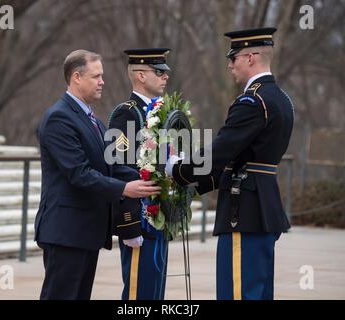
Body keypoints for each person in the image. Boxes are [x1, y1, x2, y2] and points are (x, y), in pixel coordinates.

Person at [166, 28, 294, 300]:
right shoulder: (283, 101)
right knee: (258, 293)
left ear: (250, 57)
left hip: (244, 211)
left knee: (236, 293)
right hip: (264, 208)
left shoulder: (252, 101)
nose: (229, 64)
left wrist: (178, 169)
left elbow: (220, 152)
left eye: (233, 58)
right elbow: (242, 159)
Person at [34, 50, 161, 300]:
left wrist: (153, 175)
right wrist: (124, 189)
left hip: (85, 231)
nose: (102, 81)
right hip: (66, 232)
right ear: (77, 77)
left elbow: (110, 165)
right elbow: (79, 173)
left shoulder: (91, 118)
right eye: (96, 76)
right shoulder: (59, 118)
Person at [108, 48, 171, 300]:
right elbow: (118, 166)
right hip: (140, 216)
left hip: (160, 213)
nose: (166, 76)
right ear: (141, 75)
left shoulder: (163, 111)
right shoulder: (126, 112)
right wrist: (129, 223)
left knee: (155, 289)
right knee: (138, 290)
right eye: (159, 72)